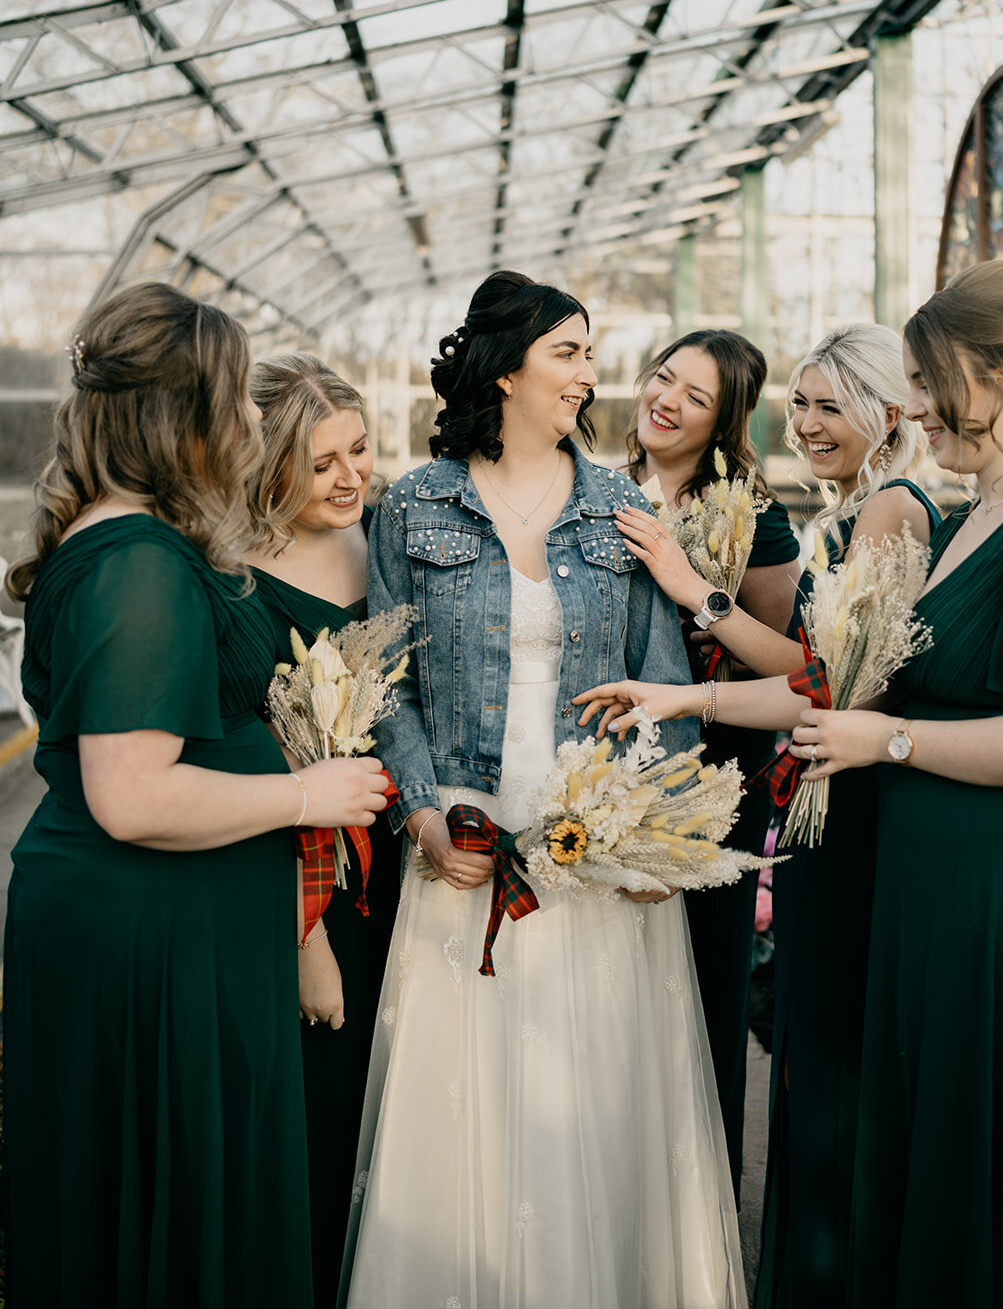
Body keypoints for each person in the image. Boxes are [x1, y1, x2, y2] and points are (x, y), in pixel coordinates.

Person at [340, 271, 746, 1309]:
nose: (587, 372)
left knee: (598, 1102)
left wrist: (658, 837)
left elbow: (659, 687)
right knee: (463, 1112)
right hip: (460, 843)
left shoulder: (622, 510)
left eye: (585, 352)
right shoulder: (413, 503)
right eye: (567, 351)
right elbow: (385, 684)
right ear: (506, 364)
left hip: (593, 857)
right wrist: (423, 810)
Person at [3, 284, 389, 1309]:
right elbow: (131, 796)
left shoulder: (136, 541)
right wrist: (306, 793)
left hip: (172, 930)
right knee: (167, 1214)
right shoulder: (136, 563)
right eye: (240, 398)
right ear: (188, 417)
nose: (254, 420)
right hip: (147, 944)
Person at [583, 323, 940, 1309]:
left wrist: (691, 605)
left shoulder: (878, 517)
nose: (809, 422)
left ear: (891, 411)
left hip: (832, 808)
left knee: (812, 1050)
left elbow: (821, 682)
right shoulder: (854, 511)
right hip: (806, 797)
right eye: (803, 401)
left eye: (831, 404)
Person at [782, 261, 1003, 1309]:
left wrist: (888, 741)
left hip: (991, 898)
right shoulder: (967, 517)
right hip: (928, 893)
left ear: (995, 377)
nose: (909, 408)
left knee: (966, 1152)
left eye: (925, 380)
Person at [626, 329, 800, 1197]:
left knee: (702, 986)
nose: (667, 400)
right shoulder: (595, 486)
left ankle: (699, 1196)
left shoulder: (751, 512)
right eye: (664, 377)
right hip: (611, 763)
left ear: (724, 420)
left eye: (695, 397)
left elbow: (787, 661)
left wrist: (694, 590)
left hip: (717, 769)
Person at [245, 353, 402, 1309]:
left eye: (360, 449)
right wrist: (306, 939)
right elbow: (256, 770)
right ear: (267, 468)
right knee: (313, 1114)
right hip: (302, 887)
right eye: (321, 462)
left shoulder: (385, 539)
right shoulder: (234, 581)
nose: (351, 477)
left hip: (402, 869)